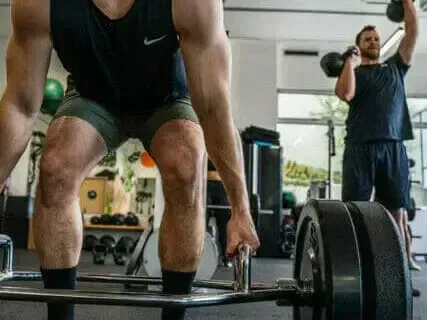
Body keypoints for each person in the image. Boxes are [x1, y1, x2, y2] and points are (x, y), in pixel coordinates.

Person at [0, 0, 260, 319]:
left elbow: (214, 108)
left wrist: (240, 209)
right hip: (93, 98)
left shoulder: (192, 3)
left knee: (187, 165)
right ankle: (60, 314)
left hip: (166, 101)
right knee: (55, 167)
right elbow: (20, 106)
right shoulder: (38, 4)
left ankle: (174, 311)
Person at [335, 0, 420, 294]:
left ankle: (401, 275)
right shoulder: (354, 73)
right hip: (359, 148)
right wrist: (350, 60)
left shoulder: (396, 68)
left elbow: (411, 33)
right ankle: (354, 274)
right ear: (358, 45)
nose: (372, 41)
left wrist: (408, 4)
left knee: (396, 212)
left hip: (393, 147)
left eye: (375, 38)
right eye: (366, 39)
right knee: (355, 211)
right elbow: (344, 93)